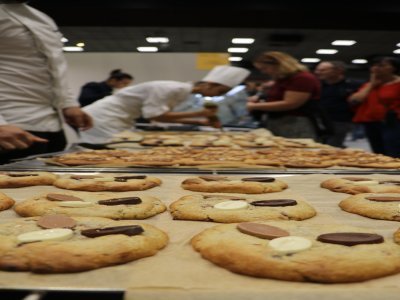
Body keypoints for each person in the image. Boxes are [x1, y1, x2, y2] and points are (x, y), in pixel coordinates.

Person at [0, 1, 92, 164]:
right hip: (8, 127)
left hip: (51, 126)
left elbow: (56, 65)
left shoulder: (42, 18)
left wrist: (68, 103)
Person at [80, 65, 250, 143]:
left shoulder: (181, 92)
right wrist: (198, 115)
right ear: (209, 84)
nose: (216, 96)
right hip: (102, 117)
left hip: (120, 118)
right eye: (219, 92)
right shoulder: (168, 88)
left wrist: (198, 122)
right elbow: (154, 115)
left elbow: (163, 117)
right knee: (106, 152)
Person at [246, 51, 321, 140]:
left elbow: (290, 103)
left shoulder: (302, 78)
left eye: (264, 68)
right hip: (280, 121)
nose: (264, 72)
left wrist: (254, 106)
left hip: (294, 123)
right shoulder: (283, 79)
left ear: (279, 64)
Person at [348, 56, 400, 157]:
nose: (375, 68)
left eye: (381, 65)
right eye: (373, 65)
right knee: (378, 153)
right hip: (371, 122)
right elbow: (355, 100)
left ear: (393, 68)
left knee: (394, 152)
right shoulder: (369, 85)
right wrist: (371, 85)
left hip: (393, 123)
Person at [314, 60, 364, 148]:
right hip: (320, 120)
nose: (317, 73)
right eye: (317, 70)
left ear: (338, 71)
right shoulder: (318, 85)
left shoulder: (354, 84)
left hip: (341, 121)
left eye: (322, 70)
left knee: (332, 146)